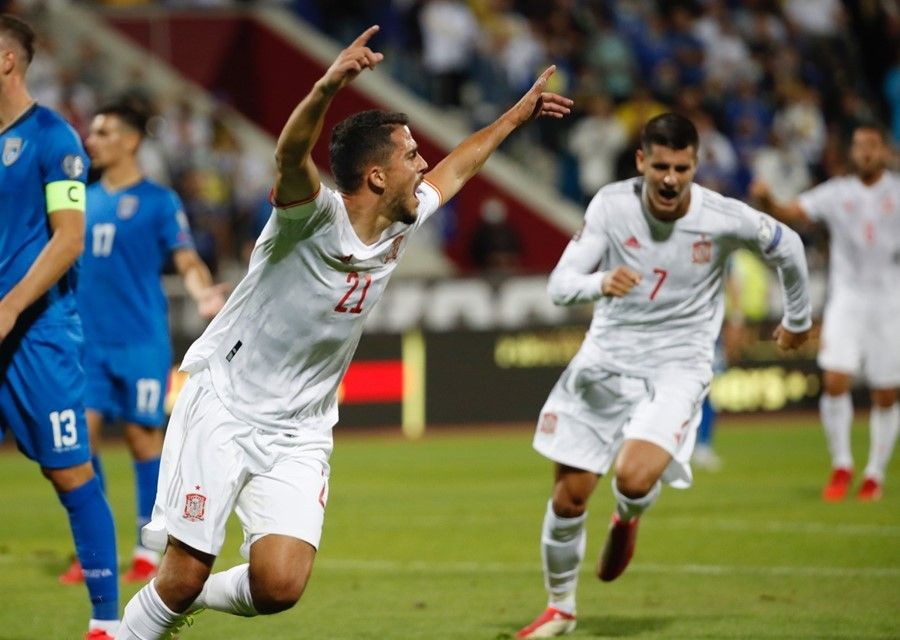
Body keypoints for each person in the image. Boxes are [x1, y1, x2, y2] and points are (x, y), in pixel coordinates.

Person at [116, 25, 572, 639]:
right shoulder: (310, 218)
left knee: (279, 586)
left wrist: (515, 117)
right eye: (411, 155)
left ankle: (186, 602)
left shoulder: (402, 220)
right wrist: (327, 86)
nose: (423, 164)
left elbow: (459, 167)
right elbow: (289, 156)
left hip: (301, 426)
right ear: (377, 177)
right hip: (226, 404)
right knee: (182, 574)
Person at [516, 113, 812, 639]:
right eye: (660, 167)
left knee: (632, 477)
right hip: (606, 358)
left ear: (695, 165)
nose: (671, 179)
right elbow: (560, 285)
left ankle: (628, 515)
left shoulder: (721, 216)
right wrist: (601, 282)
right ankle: (560, 609)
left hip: (679, 364)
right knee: (568, 499)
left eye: (682, 168)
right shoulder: (611, 206)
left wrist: (797, 319)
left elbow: (787, 243)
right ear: (641, 162)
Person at [58, 102, 227, 586]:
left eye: (104, 132)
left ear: (131, 140)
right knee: (80, 442)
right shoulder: (79, 199)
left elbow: (186, 258)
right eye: (93, 132)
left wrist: (202, 291)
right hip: (86, 342)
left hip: (140, 340)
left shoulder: (158, 200)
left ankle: (145, 547)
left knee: (142, 439)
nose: (92, 140)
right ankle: (93, 550)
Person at [0, 14, 119, 639]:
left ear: (7, 61)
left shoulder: (54, 139)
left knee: (69, 472)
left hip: (37, 333)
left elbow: (69, 239)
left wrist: (10, 306)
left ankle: (106, 623)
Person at [751, 123, 900, 502]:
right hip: (846, 297)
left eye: (872, 145)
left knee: (886, 392)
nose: (865, 152)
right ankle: (842, 465)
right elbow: (791, 212)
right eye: (859, 145)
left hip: (889, 300)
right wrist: (767, 201)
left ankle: (874, 473)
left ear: (884, 151)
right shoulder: (837, 192)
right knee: (834, 379)